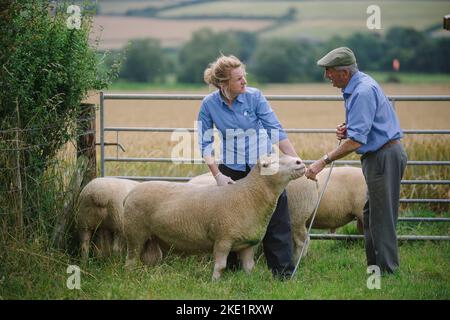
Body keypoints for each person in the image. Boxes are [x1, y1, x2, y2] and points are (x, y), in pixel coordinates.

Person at [197, 54, 301, 279]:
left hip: (265, 164)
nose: (245, 81)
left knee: (277, 217)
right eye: (238, 79)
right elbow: (204, 144)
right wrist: (217, 176)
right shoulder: (209, 105)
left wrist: (298, 162)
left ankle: (282, 273)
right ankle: (232, 270)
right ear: (224, 84)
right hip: (232, 166)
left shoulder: (255, 97)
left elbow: (276, 130)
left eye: (244, 76)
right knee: (231, 220)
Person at [305, 47, 408, 274]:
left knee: (382, 218)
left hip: (383, 157)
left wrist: (324, 161)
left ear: (344, 72)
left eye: (329, 71)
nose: (326, 76)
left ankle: (387, 271)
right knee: (372, 214)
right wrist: (349, 128)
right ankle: (375, 267)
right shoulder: (360, 85)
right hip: (380, 155)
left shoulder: (361, 91)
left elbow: (356, 142)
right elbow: (365, 126)